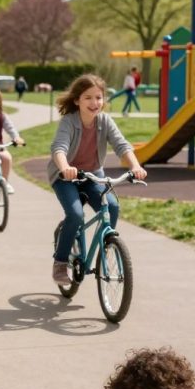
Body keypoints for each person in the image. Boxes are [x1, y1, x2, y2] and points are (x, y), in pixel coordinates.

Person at [49, 73, 147, 285]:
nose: (95, 103)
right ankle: (60, 261)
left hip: (93, 175)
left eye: (99, 97)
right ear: (77, 100)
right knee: (75, 215)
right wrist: (65, 167)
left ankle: (106, 248)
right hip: (66, 176)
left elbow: (122, 145)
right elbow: (59, 148)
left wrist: (135, 166)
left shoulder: (104, 121)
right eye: (88, 98)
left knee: (111, 207)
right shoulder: (69, 121)